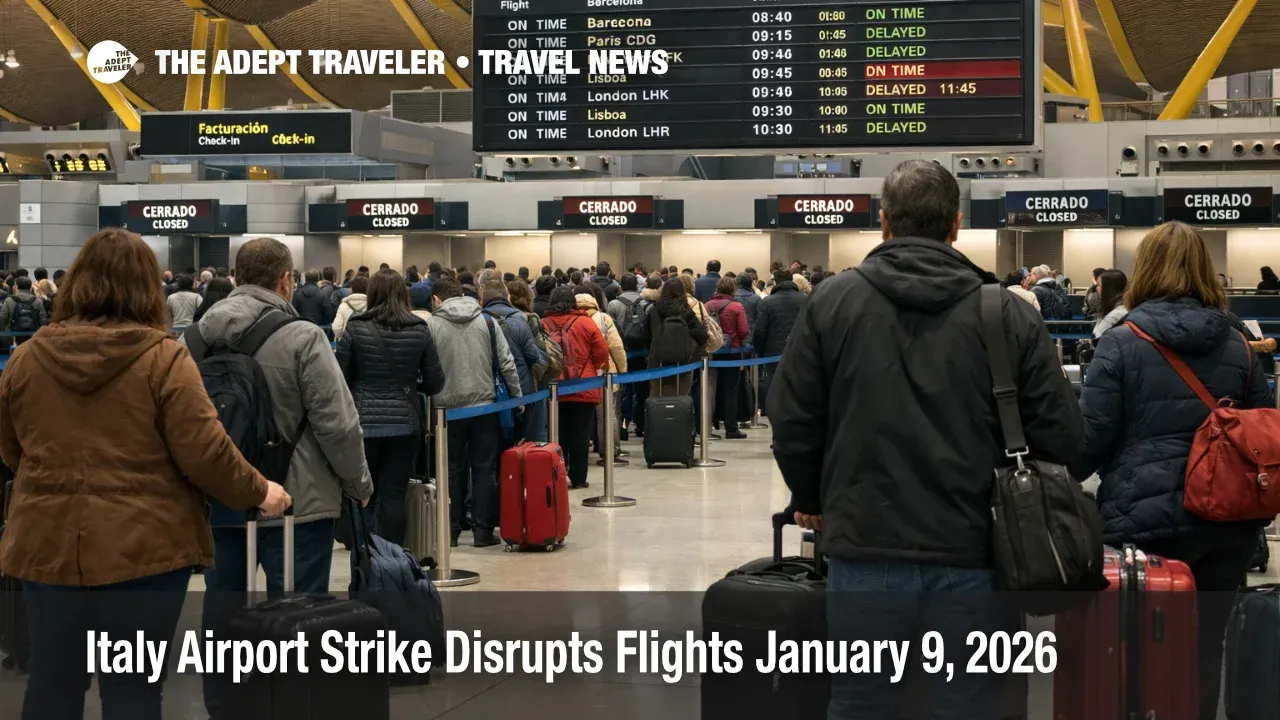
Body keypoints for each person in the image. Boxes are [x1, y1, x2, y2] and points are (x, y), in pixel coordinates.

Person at [770, 160, 1081, 720]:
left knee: (861, 702)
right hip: (976, 553)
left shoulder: (832, 303)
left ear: (884, 223)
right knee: (968, 704)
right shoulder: (1006, 311)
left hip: (863, 547)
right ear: (956, 225)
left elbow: (791, 417)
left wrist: (811, 497)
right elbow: (1060, 433)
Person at [0, 228, 291, 720]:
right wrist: (260, 490)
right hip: (144, 549)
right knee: (133, 691)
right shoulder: (163, 358)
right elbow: (204, 451)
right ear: (146, 287)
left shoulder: (27, 357)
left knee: (52, 684)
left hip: (45, 544)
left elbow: (10, 449)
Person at [1071, 221, 1271, 720]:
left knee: (1138, 649)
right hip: (1226, 521)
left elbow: (1088, 445)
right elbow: (1265, 434)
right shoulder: (1239, 344)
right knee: (1207, 649)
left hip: (1144, 526)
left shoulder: (1121, 342)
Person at [188, 238, 373, 719]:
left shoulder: (192, 339)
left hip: (219, 499)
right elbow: (337, 422)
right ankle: (290, 704)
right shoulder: (303, 337)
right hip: (296, 499)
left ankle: (225, 705)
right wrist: (358, 485)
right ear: (285, 280)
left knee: (222, 606)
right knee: (296, 611)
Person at [336, 269, 445, 547]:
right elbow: (435, 382)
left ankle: (365, 562)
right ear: (403, 294)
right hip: (405, 424)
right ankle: (392, 562)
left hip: (363, 424)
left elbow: (340, 377)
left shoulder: (356, 326)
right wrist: (409, 384)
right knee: (394, 495)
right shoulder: (419, 328)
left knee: (364, 495)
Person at [427, 277, 522, 547]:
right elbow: (506, 362)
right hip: (485, 407)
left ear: (437, 299)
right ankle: (482, 531)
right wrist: (516, 397)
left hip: (446, 411)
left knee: (450, 471)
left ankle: (451, 531)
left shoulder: (431, 325)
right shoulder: (488, 322)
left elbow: (426, 368)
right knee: (484, 470)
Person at [541, 286, 610, 488]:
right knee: (580, 434)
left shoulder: (544, 323)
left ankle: (558, 477)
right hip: (584, 386)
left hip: (554, 387)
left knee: (557, 434)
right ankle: (579, 479)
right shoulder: (586, 323)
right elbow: (601, 352)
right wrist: (594, 368)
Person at [481, 279, 547, 444]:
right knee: (522, 443)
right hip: (522, 391)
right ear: (507, 296)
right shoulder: (520, 319)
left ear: (482, 299)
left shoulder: (479, 321)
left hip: (489, 394)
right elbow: (533, 355)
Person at [577, 283, 627, 461]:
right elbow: (616, 347)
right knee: (607, 415)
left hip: (578, 377)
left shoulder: (572, 320)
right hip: (605, 374)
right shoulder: (604, 318)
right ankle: (610, 451)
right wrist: (623, 370)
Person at [640, 277, 708, 398]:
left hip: (657, 364)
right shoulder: (686, 312)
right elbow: (702, 336)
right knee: (681, 399)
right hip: (683, 365)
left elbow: (645, 337)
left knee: (657, 398)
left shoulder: (654, 311)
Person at [753, 268, 809, 414]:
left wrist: (760, 350)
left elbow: (760, 330)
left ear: (775, 281)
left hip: (773, 351)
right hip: (800, 350)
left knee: (775, 384)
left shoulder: (768, 302)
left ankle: (779, 413)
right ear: (792, 280)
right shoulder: (805, 299)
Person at [705, 276, 750, 439]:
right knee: (731, 391)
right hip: (733, 352)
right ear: (732, 289)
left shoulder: (708, 305)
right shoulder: (737, 306)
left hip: (712, 353)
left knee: (710, 390)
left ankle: (709, 425)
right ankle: (731, 428)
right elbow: (744, 330)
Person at [0, 276, 49, 344]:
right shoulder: (38, 301)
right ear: (30, 287)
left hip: (14, 335)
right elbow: (43, 319)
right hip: (33, 335)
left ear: (16, 286)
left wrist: (6, 332)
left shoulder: (9, 300)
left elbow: (3, 318)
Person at [1092, 269, 1129, 338]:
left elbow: (1098, 337)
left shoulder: (1115, 315)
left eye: (1098, 285)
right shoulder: (1119, 307)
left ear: (1109, 289)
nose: (1096, 288)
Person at [332, 274, 368, 341]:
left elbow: (336, 328)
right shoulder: (372, 305)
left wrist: (341, 338)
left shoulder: (344, 304)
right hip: (367, 343)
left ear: (351, 289)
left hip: (346, 342)